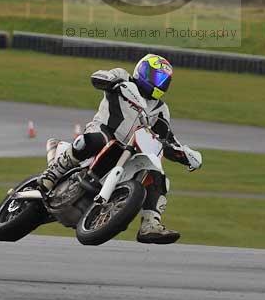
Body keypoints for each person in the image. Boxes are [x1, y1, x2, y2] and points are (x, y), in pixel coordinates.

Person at [38, 54, 202, 244]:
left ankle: (150, 224)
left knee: (156, 175)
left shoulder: (160, 109)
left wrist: (186, 155)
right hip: (104, 130)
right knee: (95, 140)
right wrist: (112, 82)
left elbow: (166, 138)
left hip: (132, 150)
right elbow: (97, 77)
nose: (161, 84)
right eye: (158, 78)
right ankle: (52, 173)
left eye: (165, 81)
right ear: (143, 71)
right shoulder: (122, 76)